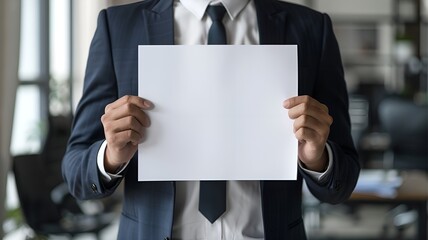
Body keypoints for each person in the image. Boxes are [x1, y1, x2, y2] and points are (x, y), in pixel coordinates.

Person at [62, 0, 360, 239]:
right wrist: (111, 156)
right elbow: (76, 173)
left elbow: (343, 182)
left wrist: (317, 158)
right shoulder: (119, 27)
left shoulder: (309, 28)